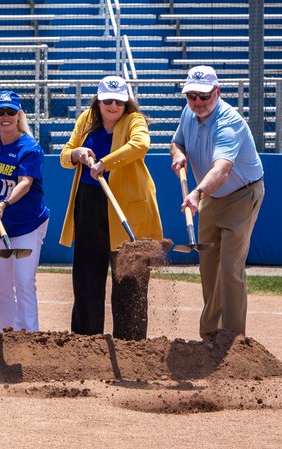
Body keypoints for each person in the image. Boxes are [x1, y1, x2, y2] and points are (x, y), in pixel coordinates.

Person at [59, 76, 163, 340]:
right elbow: (66, 154)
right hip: (89, 202)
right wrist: (77, 154)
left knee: (129, 276)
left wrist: (104, 163)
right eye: (107, 100)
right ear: (98, 100)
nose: (113, 105)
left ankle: (130, 343)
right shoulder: (86, 120)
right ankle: (86, 340)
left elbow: (140, 145)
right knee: (86, 275)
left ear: (126, 102)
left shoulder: (134, 121)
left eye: (118, 101)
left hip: (127, 206)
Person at [170, 65, 265, 337]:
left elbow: (222, 170)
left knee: (230, 268)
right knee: (209, 267)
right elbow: (176, 142)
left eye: (204, 96)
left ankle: (232, 338)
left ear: (217, 91)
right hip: (210, 195)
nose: (197, 102)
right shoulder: (189, 113)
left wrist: (197, 193)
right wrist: (177, 154)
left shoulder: (229, 121)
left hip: (241, 194)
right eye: (192, 96)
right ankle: (210, 336)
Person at [0, 90, 50, 332]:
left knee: (24, 281)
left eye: (10, 112)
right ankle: (8, 332)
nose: (5, 116)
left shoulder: (29, 147)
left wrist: (4, 203)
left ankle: (29, 335)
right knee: (3, 287)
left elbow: (25, 183)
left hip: (27, 224)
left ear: (19, 115)